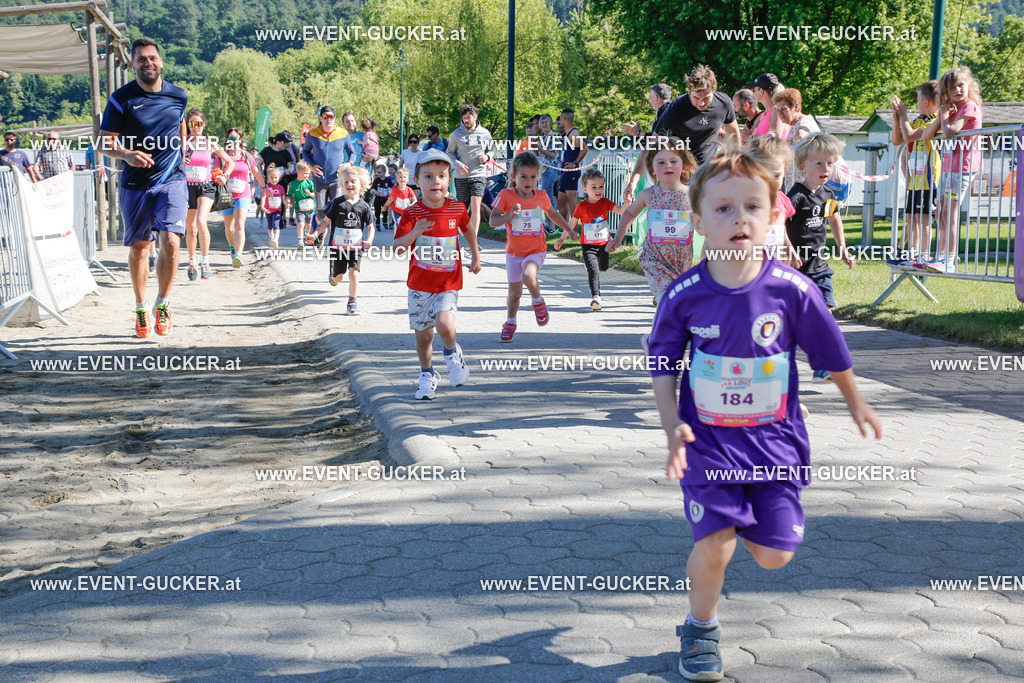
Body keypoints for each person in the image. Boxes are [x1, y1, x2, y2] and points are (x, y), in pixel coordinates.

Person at [648, 149, 881, 682]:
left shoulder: (792, 290)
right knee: (716, 544)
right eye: (723, 208)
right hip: (708, 446)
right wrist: (669, 423)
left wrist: (855, 402)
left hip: (776, 448)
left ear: (774, 215)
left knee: (775, 556)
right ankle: (700, 629)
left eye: (752, 206)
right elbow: (662, 362)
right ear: (698, 221)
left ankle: (743, 521)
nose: (739, 218)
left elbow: (830, 350)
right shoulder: (684, 295)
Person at [98, 37, 188, 338]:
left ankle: (162, 304)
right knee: (139, 249)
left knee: (171, 241)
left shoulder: (178, 95)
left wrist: (182, 150)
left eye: (152, 58)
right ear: (133, 64)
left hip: (172, 179)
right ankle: (140, 307)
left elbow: (180, 124)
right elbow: (103, 143)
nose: (147, 63)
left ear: (160, 61)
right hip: (136, 184)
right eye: (141, 59)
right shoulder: (121, 98)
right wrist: (126, 155)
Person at [393, 148, 481, 400]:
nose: (436, 182)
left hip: (447, 282)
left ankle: (453, 354)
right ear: (417, 180)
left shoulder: (456, 208)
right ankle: (427, 374)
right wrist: (416, 232)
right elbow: (397, 248)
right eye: (428, 176)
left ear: (449, 179)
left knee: (444, 324)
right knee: (424, 337)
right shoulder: (412, 213)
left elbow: (468, 231)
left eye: (441, 176)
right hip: (419, 285)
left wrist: (475, 256)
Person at [786, 132, 853, 383]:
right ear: (802, 166)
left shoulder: (828, 194)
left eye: (830, 163)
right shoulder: (796, 196)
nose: (826, 168)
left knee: (825, 314)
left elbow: (834, 218)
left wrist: (842, 247)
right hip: (797, 271)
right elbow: (779, 224)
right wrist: (789, 250)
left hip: (820, 268)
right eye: (819, 163)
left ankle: (823, 366)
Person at [489, 151, 574, 342]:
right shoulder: (505, 195)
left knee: (528, 275)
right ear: (513, 176)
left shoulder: (541, 196)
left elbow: (553, 214)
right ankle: (510, 322)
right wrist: (509, 216)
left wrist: (568, 228)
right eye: (524, 177)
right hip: (514, 253)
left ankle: (538, 301)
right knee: (514, 294)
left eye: (533, 177)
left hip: (536, 250)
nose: (529, 181)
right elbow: (493, 221)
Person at [625, 66, 741, 203]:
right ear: (689, 91)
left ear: (713, 91)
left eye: (706, 98)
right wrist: (633, 181)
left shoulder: (723, 103)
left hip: (706, 170)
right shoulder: (676, 109)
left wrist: (736, 166)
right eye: (696, 97)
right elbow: (651, 145)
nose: (701, 103)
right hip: (681, 172)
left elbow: (733, 134)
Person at [608, 139, 700, 306]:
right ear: (652, 169)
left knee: (679, 297)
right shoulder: (648, 194)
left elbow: (707, 217)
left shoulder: (692, 194)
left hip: (682, 260)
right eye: (661, 162)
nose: (668, 165)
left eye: (673, 161)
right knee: (667, 296)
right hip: (654, 258)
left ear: (684, 166)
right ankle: (661, 311)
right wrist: (618, 238)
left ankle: (666, 309)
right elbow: (629, 213)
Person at [920, 66, 984, 274]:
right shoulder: (952, 110)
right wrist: (942, 114)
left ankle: (949, 259)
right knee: (940, 213)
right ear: (946, 92)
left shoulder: (970, 107)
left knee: (950, 213)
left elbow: (949, 133)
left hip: (962, 167)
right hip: (948, 168)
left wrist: (945, 117)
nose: (958, 90)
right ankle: (940, 256)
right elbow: (926, 135)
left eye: (961, 85)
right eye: (952, 87)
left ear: (969, 86)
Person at [554, 167, 627, 310]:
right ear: (585, 189)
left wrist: (628, 202)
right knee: (593, 271)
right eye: (594, 187)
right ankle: (596, 297)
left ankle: (600, 269)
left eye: (601, 186)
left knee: (603, 267)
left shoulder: (605, 202)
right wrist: (562, 239)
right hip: (588, 246)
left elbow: (620, 210)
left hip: (604, 244)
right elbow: (572, 224)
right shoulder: (581, 206)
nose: (598, 190)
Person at [311, 165, 374, 315]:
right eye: (346, 182)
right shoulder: (337, 203)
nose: (349, 184)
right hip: (337, 248)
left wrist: (369, 240)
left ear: (361, 184)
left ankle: (352, 303)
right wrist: (315, 234)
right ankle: (333, 277)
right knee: (338, 278)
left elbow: (371, 226)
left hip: (356, 248)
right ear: (341, 184)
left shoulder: (364, 206)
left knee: (354, 274)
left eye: (353, 181)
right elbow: (325, 221)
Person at [892, 81, 940, 266]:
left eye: (918, 99)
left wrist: (904, 115)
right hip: (915, 180)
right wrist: (897, 120)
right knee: (911, 217)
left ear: (926, 101)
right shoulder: (919, 120)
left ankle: (924, 255)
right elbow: (898, 140)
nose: (917, 103)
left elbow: (909, 136)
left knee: (923, 218)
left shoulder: (935, 120)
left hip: (929, 180)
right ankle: (912, 253)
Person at [183, 108, 232, 280]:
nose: (195, 126)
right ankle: (192, 260)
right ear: (188, 125)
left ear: (204, 124)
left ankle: (205, 261)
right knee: (191, 229)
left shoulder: (209, 143)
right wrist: (180, 160)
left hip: (206, 187)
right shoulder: (182, 143)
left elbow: (229, 162)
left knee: (201, 222)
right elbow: (169, 162)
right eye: (192, 123)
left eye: (199, 123)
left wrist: (225, 176)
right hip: (187, 187)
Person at [747, 136, 800, 269]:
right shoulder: (744, 201)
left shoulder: (782, 200)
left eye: (776, 176)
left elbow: (781, 229)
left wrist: (789, 248)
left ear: (784, 172)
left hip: (775, 263)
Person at [217, 128, 266, 268]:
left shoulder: (247, 156)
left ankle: (238, 255)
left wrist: (265, 187)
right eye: (231, 138)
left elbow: (257, 173)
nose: (233, 141)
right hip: (226, 195)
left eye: (236, 138)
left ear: (240, 140)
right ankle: (233, 247)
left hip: (243, 194)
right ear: (227, 140)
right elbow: (214, 170)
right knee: (229, 227)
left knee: (239, 223)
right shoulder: (222, 156)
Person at [301, 105, 356, 227]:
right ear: (321, 118)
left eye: (331, 117)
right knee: (321, 212)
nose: (329, 119)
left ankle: (334, 235)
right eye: (325, 117)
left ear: (334, 118)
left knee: (337, 210)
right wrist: (312, 166)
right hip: (319, 179)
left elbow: (352, 153)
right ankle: (321, 232)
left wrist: (348, 164)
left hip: (337, 179)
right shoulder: (313, 133)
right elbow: (305, 152)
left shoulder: (343, 133)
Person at [448, 104, 495, 237]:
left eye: (469, 117)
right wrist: (457, 164)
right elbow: (450, 153)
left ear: (476, 117)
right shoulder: (457, 134)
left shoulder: (484, 133)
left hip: (479, 174)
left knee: (476, 204)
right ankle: (460, 233)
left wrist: (487, 157)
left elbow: (492, 149)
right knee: (462, 208)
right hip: (462, 175)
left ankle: (473, 238)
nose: (466, 120)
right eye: (464, 117)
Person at [556, 108, 588, 223]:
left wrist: (575, 163)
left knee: (572, 202)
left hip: (571, 172)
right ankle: (563, 227)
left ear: (564, 119)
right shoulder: (568, 133)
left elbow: (584, 149)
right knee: (561, 200)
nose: (559, 122)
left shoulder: (574, 134)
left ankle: (574, 229)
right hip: (565, 171)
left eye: (560, 119)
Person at [746, 73, 789, 139]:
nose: (752, 93)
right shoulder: (766, 113)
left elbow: (773, 140)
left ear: (761, 91)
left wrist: (749, 138)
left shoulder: (776, 111)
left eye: (754, 90)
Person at [287, 161, 317, 245]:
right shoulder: (293, 184)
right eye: (306, 173)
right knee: (300, 224)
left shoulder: (309, 183)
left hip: (310, 208)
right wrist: (288, 202)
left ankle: (306, 233)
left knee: (308, 224)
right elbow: (289, 195)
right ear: (298, 172)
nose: (308, 175)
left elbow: (315, 194)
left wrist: (310, 194)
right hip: (299, 208)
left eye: (309, 173)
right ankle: (300, 241)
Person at [537, 114, 560, 212]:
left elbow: (552, 155)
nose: (544, 124)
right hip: (544, 169)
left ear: (550, 123)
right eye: (542, 122)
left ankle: (552, 219)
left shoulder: (552, 136)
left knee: (547, 196)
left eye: (546, 122)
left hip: (551, 167)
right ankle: (549, 219)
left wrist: (538, 148)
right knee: (547, 196)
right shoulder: (543, 137)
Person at [261, 165, 286, 248]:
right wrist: (262, 207)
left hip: (277, 210)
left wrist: (287, 204)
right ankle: (271, 237)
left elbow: (283, 199)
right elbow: (263, 197)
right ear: (268, 178)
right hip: (268, 210)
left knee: (276, 225)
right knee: (270, 225)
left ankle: (275, 240)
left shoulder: (281, 188)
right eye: (271, 178)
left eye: (275, 178)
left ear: (279, 178)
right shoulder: (267, 188)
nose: (274, 180)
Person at [370, 163, 394, 229]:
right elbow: (373, 188)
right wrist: (376, 192)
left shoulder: (387, 180)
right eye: (377, 172)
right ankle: (377, 223)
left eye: (380, 172)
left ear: (384, 172)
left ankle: (385, 222)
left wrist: (390, 193)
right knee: (377, 212)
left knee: (385, 211)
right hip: (377, 199)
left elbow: (392, 188)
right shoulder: (376, 180)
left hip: (385, 199)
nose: (378, 174)